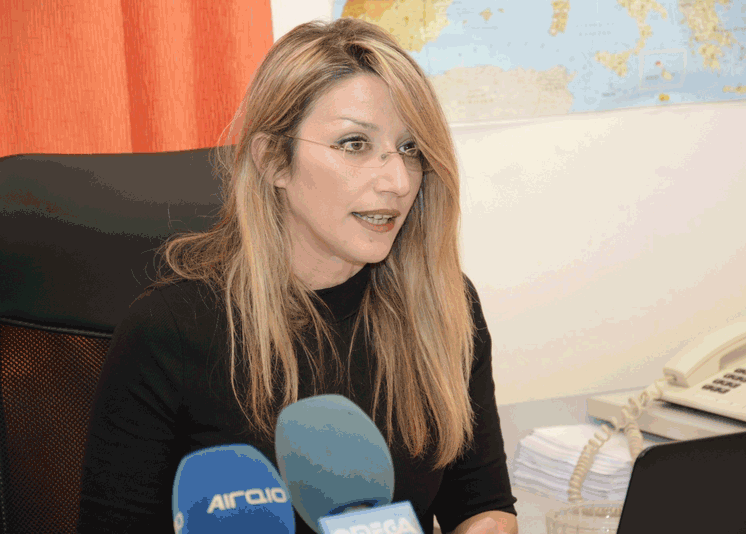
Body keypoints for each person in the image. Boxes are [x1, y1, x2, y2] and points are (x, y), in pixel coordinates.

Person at [78, 17, 518, 534]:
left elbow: (483, 504)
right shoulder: (170, 330)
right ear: (273, 161)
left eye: (410, 148)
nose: (399, 181)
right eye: (354, 144)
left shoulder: (443, 304)